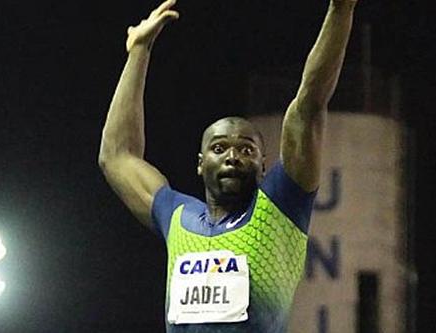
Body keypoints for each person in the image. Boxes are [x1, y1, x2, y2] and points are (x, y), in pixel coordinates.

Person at [98, 0, 357, 331]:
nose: (233, 156)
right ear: (200, 163)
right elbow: (117, 155)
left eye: (246, 149)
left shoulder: (280, 207)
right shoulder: (177, 216)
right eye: (219, 148)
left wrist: (341, 8)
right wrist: (139, 52)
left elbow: (309, 104)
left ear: (264, 166)